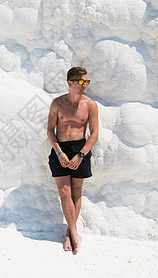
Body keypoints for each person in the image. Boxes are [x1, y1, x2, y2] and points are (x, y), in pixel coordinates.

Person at [47, 67, 99, 255]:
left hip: (80, 149)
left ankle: (70, 233)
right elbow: (50, 131)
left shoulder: (90, 105)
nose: (85, 86)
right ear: (70, 83)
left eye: (87, 82)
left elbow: (94, 134)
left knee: (76, 191)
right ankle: (75, 234)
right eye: (82, 82)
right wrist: (59, 153)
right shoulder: (57, 103)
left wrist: (81, 155)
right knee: (64, 191)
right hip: (60, 149)